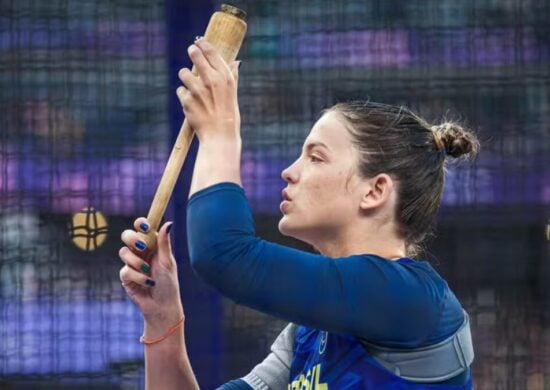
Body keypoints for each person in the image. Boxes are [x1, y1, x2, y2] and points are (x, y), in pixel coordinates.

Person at [119, 37, 479, 389]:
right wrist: (162, 318)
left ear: (375, 190)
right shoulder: (304, 338)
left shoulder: (412, 299)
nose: (290, 171)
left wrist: (220, 132)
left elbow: (223, 255)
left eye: (316, 157)